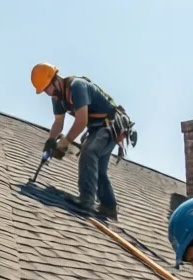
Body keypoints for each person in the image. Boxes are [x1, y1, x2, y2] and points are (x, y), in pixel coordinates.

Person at [31, 62, 127, 219]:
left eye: (48, 88)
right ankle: (109, 206)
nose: (49, 93)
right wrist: (50, 141)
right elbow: (58, 123)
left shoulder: (77, 87)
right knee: (98, 169)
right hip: (97, 128)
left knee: (89, 153)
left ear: (56, 79)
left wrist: (64, 143)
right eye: (45, 91)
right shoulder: (58, 98)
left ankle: (86, 201)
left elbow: (81, 121)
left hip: (111, 125)